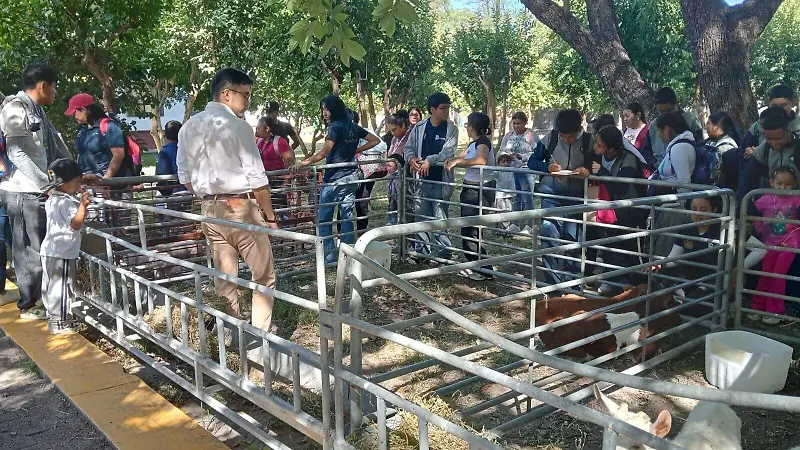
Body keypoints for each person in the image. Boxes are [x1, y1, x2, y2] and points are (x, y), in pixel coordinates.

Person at [177, 67, 281, 337]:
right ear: (227, 94)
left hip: (210, 209)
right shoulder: (238, 126)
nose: (247, 102)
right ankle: (259, 335)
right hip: (241, 208)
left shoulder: (189, 127)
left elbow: (184, 176)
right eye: (245, 95)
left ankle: (229, 337)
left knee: (225, 276)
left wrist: (208, 194)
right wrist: (270, 217)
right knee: (263, 274)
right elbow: (258, 180)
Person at [0, 62, 74, 320]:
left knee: (41, 246)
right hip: (22, 192)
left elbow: (55, 144)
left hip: (39, 190)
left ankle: (44, 299)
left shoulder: (38, 111)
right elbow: (15, 152)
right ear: (43, 85)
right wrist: (47, 185)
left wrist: (74, 173)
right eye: (54, 87)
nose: (55, 92)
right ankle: (28, 305)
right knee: (27, 249)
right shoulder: (15, 108)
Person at [291, 95, 379, 263]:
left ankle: (329, 255)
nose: (324, 113)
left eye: (327, 109)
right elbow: (375, 140)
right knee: (346, 216)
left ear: (335, 109)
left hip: (334, 179)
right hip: (351, 177)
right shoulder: (353, 127)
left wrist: (302, 163)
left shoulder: (335, 128)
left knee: (324, 217)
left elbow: (324, 153)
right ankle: (348, 254)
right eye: (323, 109)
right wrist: (356, 150)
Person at [526, 109, 594, 288]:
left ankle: (573, 287)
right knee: (549, 238)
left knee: (574, 240)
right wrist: (547, 168)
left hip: (576, 199)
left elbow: (597, 166)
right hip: (551, 196)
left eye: (570, 137)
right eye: (563, 136)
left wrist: (587, 170)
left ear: (579, 129)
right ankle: (552, 286)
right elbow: (532, 162)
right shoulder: (551, 138)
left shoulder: (589, 141)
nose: (566, 140)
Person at [590, 125, 646, 295]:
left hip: (628, 212)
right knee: (608, 247)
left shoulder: (628, 159)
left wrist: (602, 172)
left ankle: (630, 285)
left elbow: (622, 186)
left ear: (612, 148)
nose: (595, 147)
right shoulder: (597, 157)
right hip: (607, 209)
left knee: (627, 249)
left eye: (599, 145)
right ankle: (612, 281)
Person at [404, 93, 458, 263]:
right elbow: (408, 148)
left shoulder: (451, 128)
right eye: (442, 108)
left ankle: (444, 253)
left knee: (440, 214)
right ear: (432, 109)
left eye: (448, 107)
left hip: (441, 179)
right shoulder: (419, 128)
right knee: (421, 214)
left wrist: (429, 160)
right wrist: (412, 159)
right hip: (421, 179)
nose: (446, 111)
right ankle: (422, 252)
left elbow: (447, 152)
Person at [40, 159, 90, 334]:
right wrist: (83, 205)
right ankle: (60, 323)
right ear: (66, 183)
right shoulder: (66, 203)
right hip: (63, 252)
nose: (79, 185)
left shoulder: (53, 199)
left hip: (50, 250)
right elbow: (75, 224)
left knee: (50, 286)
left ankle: (53, 318)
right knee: (61, 289)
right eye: (77, 181)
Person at [445, 112, 495, 281]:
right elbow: (467, 157)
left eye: (467, 125)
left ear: (471, 127)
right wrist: (454, 159)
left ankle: (482, 269)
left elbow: (481, 160)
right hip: (472, 188)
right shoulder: (475, 143)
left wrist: (458, 162)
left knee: (471, 229)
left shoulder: (483, 142)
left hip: (478, 189)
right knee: (469, 228)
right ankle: (476, 266)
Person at [746, 167, 800, 325]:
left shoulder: (796, 199)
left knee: (778, 275)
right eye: (779, 183)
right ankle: (757, 306)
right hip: (769, 243)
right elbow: (752, 212)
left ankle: (775, 311)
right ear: (771, 183)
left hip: (790, 243)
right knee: (766, 274)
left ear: (794, 184)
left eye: (788, 184)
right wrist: (758, 227)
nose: (783, 188)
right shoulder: (765, 199)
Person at [651, 112, 697, 257]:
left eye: (658, 131)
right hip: (670, 206)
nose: (658, 135)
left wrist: (681, 209)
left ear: (666, 129)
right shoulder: (677, 145)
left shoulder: (680, 147)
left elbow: (684, 181)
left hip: (675, 210)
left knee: (666, 247)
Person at [66, 94, 130, 179]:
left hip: (108, 183)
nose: (73, 116)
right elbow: (81, 154)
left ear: (84, 110)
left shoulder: (109, 126)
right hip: (87, 181)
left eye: (74, 113)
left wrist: (106, 179)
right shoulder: (82, 130)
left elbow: (118, 154)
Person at [642, 87, 704, 166]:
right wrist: (655, 164)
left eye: (668, 111)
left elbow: (700, 147)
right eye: (661, 112)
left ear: (676, 104)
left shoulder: (691, 121)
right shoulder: (653, 125)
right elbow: (646, 151)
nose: (665, 116)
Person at [500, 111, 539, 233]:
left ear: (525, 123)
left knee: (527, 197)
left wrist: (522, 156)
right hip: (512, 170)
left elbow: (537, 152)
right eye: (514, 123)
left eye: (519, 123)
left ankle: (530, 224)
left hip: (526, 170)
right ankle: (515, 223)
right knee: (516, 197)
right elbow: (502, 149)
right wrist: (504, 157)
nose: (516, 126)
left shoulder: (531, 135)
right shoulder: (508, 135)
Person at [351, 109, 388, 231]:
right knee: (345, 206)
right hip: (349, 174)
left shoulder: (364, 132)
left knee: (362, 204)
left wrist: (360, 150)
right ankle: (344, 239)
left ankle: (361, 236)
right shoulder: (339, 133)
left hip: (367, 173)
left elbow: (381, 145)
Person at [742, 84, 799, 150]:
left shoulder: (798, 125)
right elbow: (743, 150)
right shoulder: (758, 126)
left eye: (783, 105)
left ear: (793, 103)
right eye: (774, 105)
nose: (778, 109)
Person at [387, 111, 412, 225]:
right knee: (393, 202)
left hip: (406, 177)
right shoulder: (394, 139)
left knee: (405, 204)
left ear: (403, 125)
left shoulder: (411, 137)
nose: (393, 133)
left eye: (394, 129)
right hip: (394, 177)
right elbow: (390, 154)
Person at [705, 111, 741, 185]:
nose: (706, 127)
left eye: (708, 123)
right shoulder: (712, 143)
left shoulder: (726, 146)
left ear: (716, 127)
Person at [493, 153, 518, 232]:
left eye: (508, 161)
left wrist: (514, 158)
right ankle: (499, 229)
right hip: (500, 195)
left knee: (508, 210)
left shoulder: (511, 169)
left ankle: (506, 228)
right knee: (499, 211)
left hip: (509, 195)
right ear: (499, 163)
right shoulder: (497, 171)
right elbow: (491, 175)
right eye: (503, 162)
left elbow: (519, 164)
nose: (505, 163)